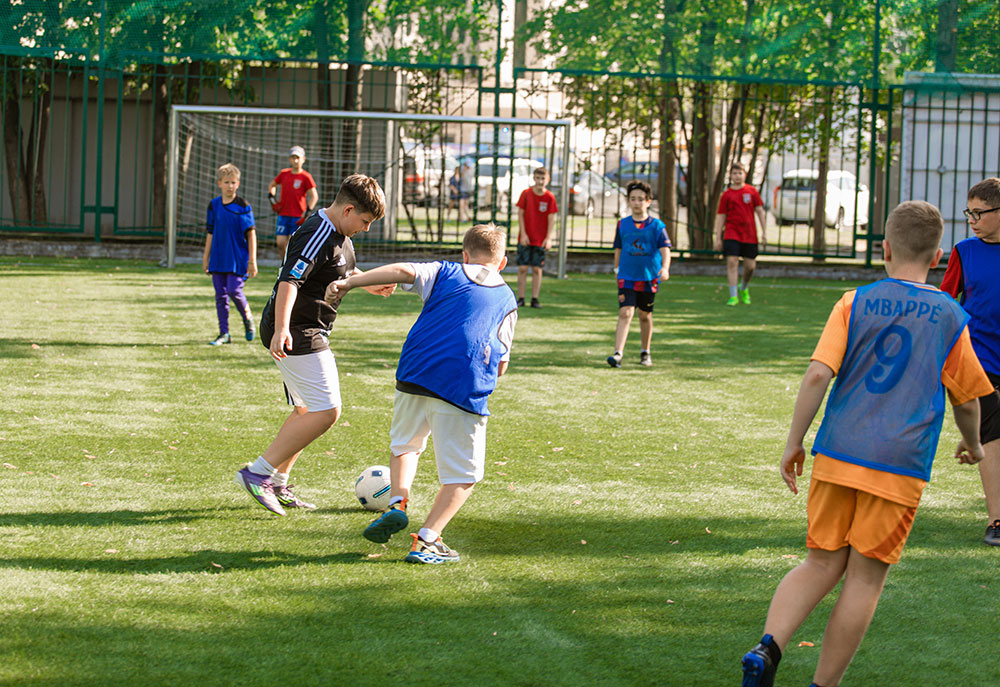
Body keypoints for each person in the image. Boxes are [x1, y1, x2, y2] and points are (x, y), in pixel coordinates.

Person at [740, 200, 992, 687]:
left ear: (885, 249)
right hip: (899, 465)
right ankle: (823, 684)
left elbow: (818, 374)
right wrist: (974, 445)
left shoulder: (853, 301)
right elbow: (967, 399)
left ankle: (767, 646)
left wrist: (794, 443)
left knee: (819, 561)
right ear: (939, 256)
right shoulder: (948, 315)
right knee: (863, 578)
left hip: (836, 455)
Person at [328, 224, 517, 564]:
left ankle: (398, 503)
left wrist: (351, 281)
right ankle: (427, 539)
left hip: (414, 372)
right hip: (461, 385)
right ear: (502, 262)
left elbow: (402, 271)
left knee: (406, 446)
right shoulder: (506, 298)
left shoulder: (444, 271)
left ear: (464, 254)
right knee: (463, 477)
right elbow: (501, 363)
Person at [234, 174, 395, 516]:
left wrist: (370, 285)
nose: (365, 229)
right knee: (328, 411)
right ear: (348, 209)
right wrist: (281, 329)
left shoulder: (339, 234)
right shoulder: (316, 232)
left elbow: (340, 272)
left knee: (306, 411)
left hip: (309, 328)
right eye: (364, 221)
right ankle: (258, 473)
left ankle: (277, 481)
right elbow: (289, 281)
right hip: (298, 330)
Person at [941, 177, 1000, 546]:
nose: (972, 220)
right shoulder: (965, 251)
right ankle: (997, 520)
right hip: (980, 357)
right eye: (969, 213)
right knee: (992, 435)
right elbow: (946, 301)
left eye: (979, 213)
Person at [606, 180, 671, 368]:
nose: (636, 203)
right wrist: (617, 269)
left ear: (648, 202)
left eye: (641, 199)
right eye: (633, 199)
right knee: (625, 312)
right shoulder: (622, 225)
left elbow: (665, 249)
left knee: (644, 315)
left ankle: (645, 351)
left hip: (649, 277)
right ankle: (618, 353)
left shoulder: (657, 226)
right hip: (627, 276)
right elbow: (618, 248)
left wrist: (665, 268)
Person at [202, 163, 258, 346]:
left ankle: (247, 318)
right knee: (220, 296)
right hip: (218, 258)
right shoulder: (214, 205)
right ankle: (224, 334)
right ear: (219, 183)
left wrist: (252, 260)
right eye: (226, 182)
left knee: (234, 290)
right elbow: (210, 233)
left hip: (237, 259)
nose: (230, 186)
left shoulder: (243, 206)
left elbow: (251, 234)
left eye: (233, 182)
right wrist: (206, 258)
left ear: (238, 184)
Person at [714, 161, 765, 306]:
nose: (737, 176)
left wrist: (764, 232)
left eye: (739, 173)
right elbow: (721, 216)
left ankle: (744, 288)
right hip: (731, 233)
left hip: (749, 234)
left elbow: (760, 211)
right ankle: (733, 296)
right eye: (734, 173)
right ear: (730, 176)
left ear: (745, 174)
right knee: (732, 262)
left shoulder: (752, 192)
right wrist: (718, 237)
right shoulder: (727, 195)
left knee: (750, 266)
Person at [515, 166, 558, 308]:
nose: (540, 181)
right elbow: (520, 214)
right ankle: (521, 297)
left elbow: (552, 218)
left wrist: (548, 238)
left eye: (543, 178)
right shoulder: (526, 194)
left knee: (536, 269)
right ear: (534, 179)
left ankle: (535, 298)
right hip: (526, 238)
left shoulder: (549, 197)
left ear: (547, 179)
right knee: (522, 268)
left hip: (540, 239)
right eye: (538, 178)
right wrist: (523, 234)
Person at [268, 145, 319, 257]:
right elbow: (272, 185)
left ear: (303, 159)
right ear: (289, 159)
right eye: (293, 158)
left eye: (298, 158)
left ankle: (291, 268)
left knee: (293, 245)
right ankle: (284, 265)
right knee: (281, 243)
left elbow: (314, 196)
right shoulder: (284, 173)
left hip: (298, 217)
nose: (295, 160)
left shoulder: (306, 177)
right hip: (283, 215)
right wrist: (272, 200)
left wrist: (307, 212)